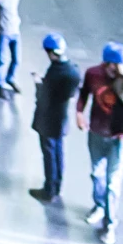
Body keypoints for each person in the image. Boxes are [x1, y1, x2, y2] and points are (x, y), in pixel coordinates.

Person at [77, 40, 123, 243]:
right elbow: (83, 94)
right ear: (109, 65)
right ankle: (99, 205)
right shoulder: (93, 74)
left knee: (113, 182)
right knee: (96, 173)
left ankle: (110, 223)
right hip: (97, 132)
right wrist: (79, 112)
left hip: (119, 138)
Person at [26, 28, 74, 200]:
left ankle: (49, 189)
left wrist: (38, 83)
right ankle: (57, 185)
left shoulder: (56, 72)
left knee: (49, 154)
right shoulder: (71, 70)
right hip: (61, 120)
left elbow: (45, 95)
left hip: (48, 119)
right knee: (58, 152)